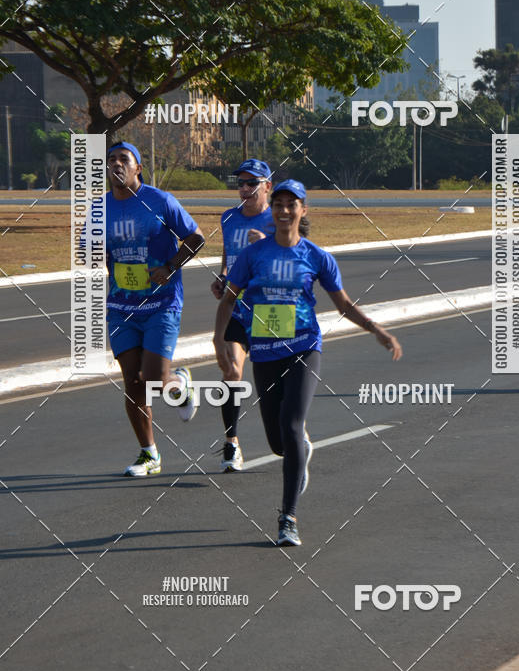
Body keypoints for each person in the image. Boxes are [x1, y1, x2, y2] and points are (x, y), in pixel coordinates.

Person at [213, 179, 402, 546]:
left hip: (303, 347)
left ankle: (288, 517)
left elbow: (343, 304)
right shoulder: (254, 255)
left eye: (291, 204)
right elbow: (228, 300)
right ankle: (299, 451)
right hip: (265, 352)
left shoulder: (316, 256)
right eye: (279, 204)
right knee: (278, 444)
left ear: (303, 209)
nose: (283, 210)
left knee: (293, 422)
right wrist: (219, 340)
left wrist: (376, 330)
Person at [103, 142, 205, 477]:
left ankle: (181, 382)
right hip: (121, 307)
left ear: (138, 169)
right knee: (133, 381)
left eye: (124, 160)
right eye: (111, 160)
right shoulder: (99, 209)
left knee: (154, 379)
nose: (116, 164)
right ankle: (150, 454)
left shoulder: (160, 201)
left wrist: (170, 267)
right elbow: (99, 252)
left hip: (161, 302)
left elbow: (196, 238)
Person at [210, 159, 275, 472]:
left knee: (274, 382)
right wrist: (223, 275)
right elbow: (228, 252)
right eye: (241, 183)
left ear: (267, 187)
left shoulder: (278, 220)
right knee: (232, 372)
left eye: (252, 183)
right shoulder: (229, 218)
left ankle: (286, 432)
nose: (245, 189)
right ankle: (231, 443)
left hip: (271, 309)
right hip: (237, 307)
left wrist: (266, 246)